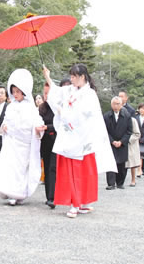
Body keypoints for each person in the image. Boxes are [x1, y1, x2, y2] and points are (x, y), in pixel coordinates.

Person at [43, 64, 116, 219]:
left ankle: (80, 203)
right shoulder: (70, 90)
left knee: (81, 173)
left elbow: (85, 114)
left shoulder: (89, 94)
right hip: (71, 139)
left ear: (82, 76)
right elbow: (56, 92)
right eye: (71, 76)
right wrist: (47, 76)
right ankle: (75, 202)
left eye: (74, 76)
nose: (71, 79)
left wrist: (65, 113)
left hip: (82, 138)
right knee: (72, 173)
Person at [0, 69, 44, 205]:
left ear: (24, 92)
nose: (15, 94)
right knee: (10, 168)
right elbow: (6, 123)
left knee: (21, 170)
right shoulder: (11, 107)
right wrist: (5, 128)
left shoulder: (30, 107)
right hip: (12, 142)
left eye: (18, 92)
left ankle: (19, 193)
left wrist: (38, 130)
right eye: (13, 92)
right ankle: (10, 192)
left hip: (24, 143)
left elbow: (37, 122)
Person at [37, 80, 61, 209]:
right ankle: (49, 196)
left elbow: (61, 124)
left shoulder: (58, 107)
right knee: (47, 167)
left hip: (57, 139)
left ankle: (54, 196)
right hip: (45, 141)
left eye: (48, 93)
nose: (46, 96)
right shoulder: (42, 108)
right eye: (44, 93)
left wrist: (48, 127)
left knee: (53, 167)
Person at [103, 96, 132, 190]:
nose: (116, 106)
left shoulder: (127, 116)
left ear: (121, 105)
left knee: (121, 164)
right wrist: (112, 141)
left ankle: (120, 182)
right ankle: (111, 183)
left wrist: (122, 141)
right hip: (111, 143)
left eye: (118, 104)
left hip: (122, 143)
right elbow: (104, 131)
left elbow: (129, 131)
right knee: (110, 163)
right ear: (111, 105)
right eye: (114, 104)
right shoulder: (106, 116)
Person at [126, 113, 141, 185]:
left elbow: (137, 133)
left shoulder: (133, 120)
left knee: (132, 163)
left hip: (131, 143)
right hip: (120, 143)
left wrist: (128, 139)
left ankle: (133, 180)